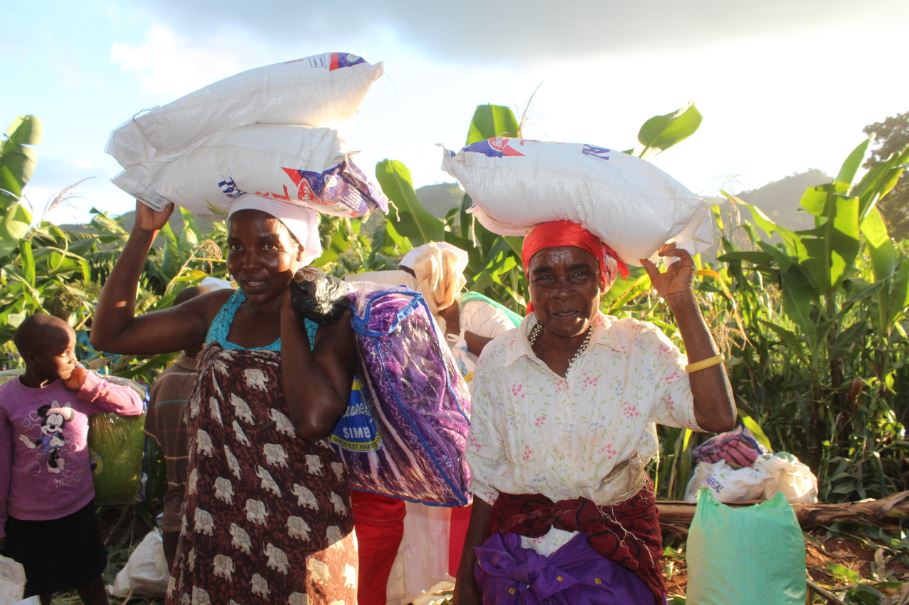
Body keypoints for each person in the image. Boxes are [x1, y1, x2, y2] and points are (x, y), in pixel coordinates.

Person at [90, 195, 359, 604]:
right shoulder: (219, 311)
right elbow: (110, 334)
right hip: (216, 528)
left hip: (301, 530)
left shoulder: (328, 318)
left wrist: (290, 313)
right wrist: (145, 231)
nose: (247, 262)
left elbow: (313, 420)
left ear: (300, 249)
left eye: (268, 246)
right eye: (236, 246)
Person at [453, 220, 737, 605]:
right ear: (529, 284)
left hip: (614, 553)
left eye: (578, 273)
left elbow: (717, 416)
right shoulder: (500, 360)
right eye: (545, 276)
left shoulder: (636, 348)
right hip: (520, 562)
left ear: (602, 278)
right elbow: (486, 478)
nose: (561, 291)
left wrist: (681, 301)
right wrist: (466, 583)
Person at [0, 313, 144, 605]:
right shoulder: (7, 400)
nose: (73, 359)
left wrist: (90, 384)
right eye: (64, 353)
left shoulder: (78, 389)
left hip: (75, 510)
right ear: (32, 357)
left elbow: (134, 406)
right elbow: (2, 465)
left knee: (90, 584)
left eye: (74, 350)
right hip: (26, 518)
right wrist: (0, 521)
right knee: (34, 590)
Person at [144, 285, 211, 569]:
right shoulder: (229, 376)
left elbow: (159, 442)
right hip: (221, 514)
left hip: (175, 517)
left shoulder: (163, 382)